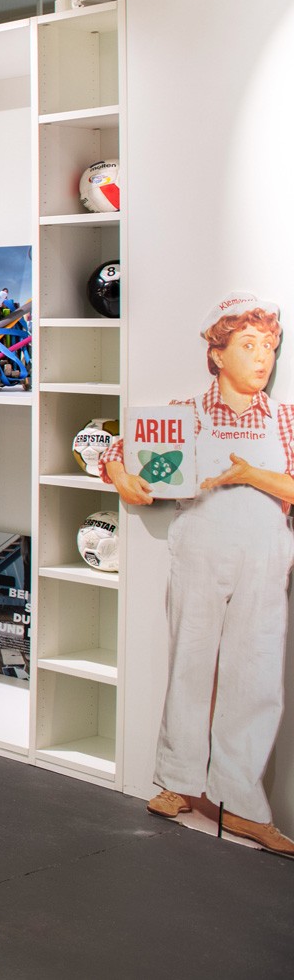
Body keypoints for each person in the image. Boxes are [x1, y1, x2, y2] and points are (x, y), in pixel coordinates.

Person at [104, 294, 294, 854]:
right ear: (217, 354)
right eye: (249, 346)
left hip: (265, 557)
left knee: (255, 675)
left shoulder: (284, 418)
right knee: (191, 663)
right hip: (199, 554)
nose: (263, 359)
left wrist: (250, 474)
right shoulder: (185, 413)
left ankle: (240, 803)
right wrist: (120, 474)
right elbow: (120, 448)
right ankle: (179, 782)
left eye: (270, 348)